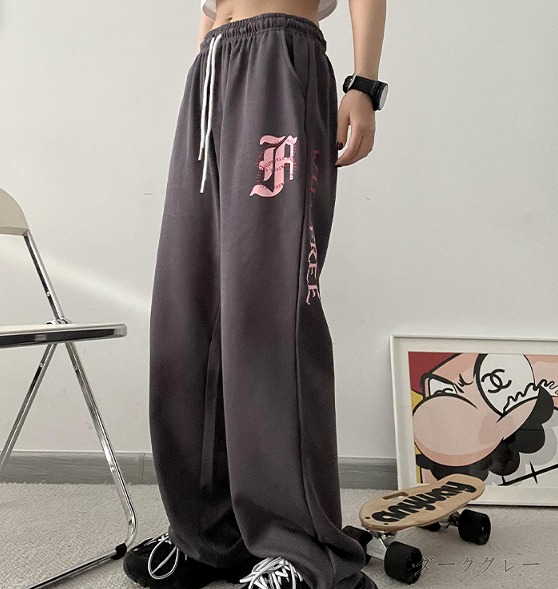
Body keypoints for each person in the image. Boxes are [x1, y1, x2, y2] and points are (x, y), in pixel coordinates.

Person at [123, 1, 387, 589]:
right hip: (212, 73)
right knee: (189, 310)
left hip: (279, 58)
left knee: (269, 308)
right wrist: (204, 66)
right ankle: (209, 534)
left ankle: (302, 551)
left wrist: (364, 85)